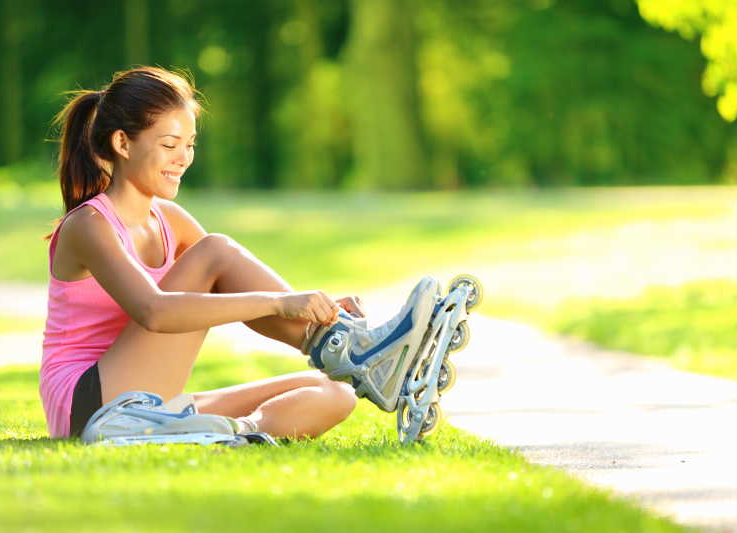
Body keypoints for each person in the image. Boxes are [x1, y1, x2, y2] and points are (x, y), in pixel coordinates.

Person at [41, 66, 439, 442]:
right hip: (87, 404)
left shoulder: (170, 220)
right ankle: (350, 350)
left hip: (142, 404)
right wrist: (280, 302)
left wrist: (319, 309)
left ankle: (236, 428)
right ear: (123, 143)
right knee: (215, 250)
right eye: (169, 145)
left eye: (190, 144)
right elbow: (155, 311)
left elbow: (234, 280)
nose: (184, 158)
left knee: (333, 392)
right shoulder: (89, 225)